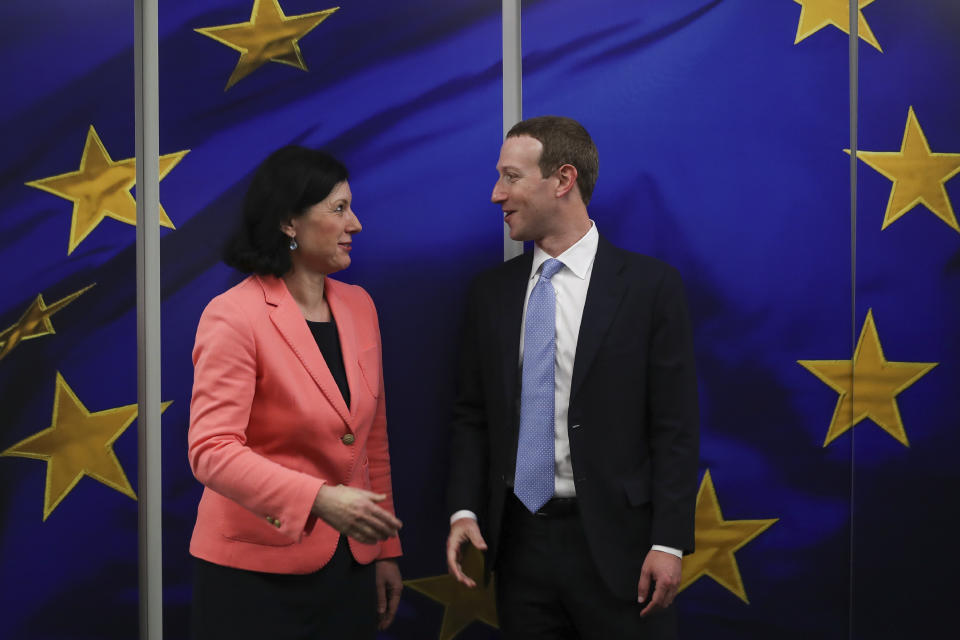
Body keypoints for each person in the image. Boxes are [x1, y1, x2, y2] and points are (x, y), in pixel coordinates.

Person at [445, 116, 699, 639]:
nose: (497, 194)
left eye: (511, 177)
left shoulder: (651, 288)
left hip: (623, 550)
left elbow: (675, 425)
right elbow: (471, 414)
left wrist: (669, 541)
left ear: (563, 180)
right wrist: (464, 508)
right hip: (517, 548)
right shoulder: (489, 294)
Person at [188, 146, 403, 639]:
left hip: (350, 568)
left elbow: (372, 441)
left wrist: (384, 547)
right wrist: (319, 499)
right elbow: (211, 452)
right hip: (253, 577)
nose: (357, 224)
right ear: (289, 222)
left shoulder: (360, 306)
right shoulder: (232, 315)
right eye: (339, 208)